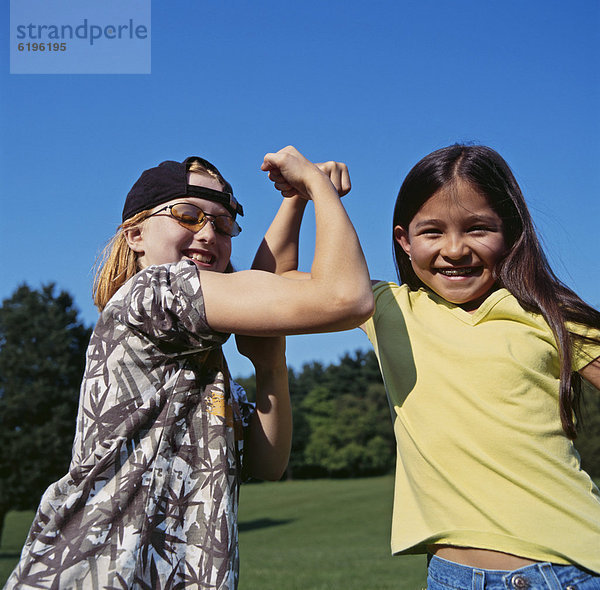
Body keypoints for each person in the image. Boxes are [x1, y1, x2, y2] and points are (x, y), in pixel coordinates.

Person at [5, 146, 373, 590]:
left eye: (223, 224)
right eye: (187, 215)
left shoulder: (202, 360)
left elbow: (267, 460)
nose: (207, 233)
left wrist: (271, 364)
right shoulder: (154, 294)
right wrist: (317, 187)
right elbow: (346, 298)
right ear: (135, 235)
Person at [258, 144, 600, 590]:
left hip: (562, 573)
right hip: (448, 577)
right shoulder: (388, 309)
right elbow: (270, 286)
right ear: (405, 240)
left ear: (510, 233)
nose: (455, 250)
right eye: (433, 232)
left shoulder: (553, 316)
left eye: (478, 228)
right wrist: (302, 196)